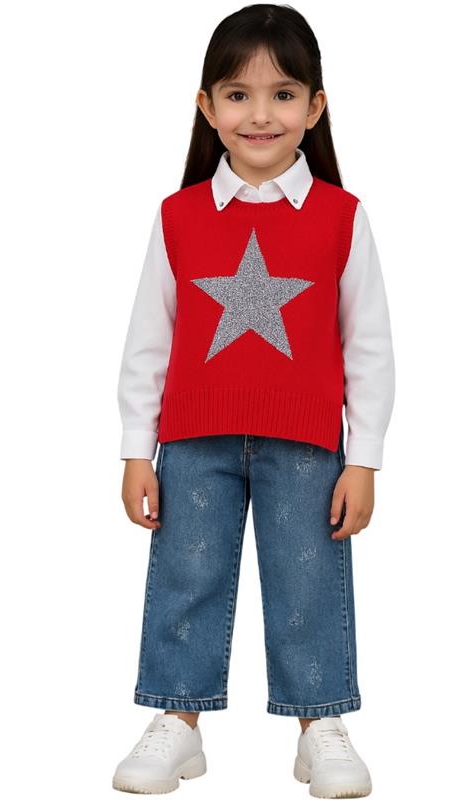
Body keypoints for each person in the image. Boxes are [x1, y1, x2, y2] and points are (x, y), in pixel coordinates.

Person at [113, 5, 395, 797]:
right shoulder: (178, 217)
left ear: (315, 106)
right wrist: (137, 448)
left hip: (306, 444)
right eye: (238, 95)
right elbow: (148, 339)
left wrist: (364, 458)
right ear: (207, 107)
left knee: (308, 583)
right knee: (186, 577)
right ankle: (177, 720)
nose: (260, 114)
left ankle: (320, 724)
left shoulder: (342, 218)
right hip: (192, 440)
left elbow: (369, 345)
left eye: (283, 94)